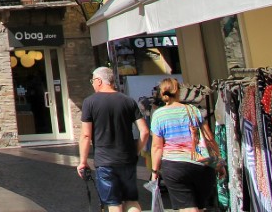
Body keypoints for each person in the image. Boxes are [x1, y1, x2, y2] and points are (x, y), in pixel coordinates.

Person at [77, 66, 150, 212]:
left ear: (99, 81)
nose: (92, 84)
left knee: (114, 203)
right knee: (131, 201)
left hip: (105, 162)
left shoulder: (89, 102)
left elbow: (85, 135)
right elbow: (145, 131)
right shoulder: (128, 101)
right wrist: (136, 151)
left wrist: (83, 162)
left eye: (93, 80)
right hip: (127, 159)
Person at [149, 77, 220, 212]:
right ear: (178, 92)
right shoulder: (193, 110)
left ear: (162, 93)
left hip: (175, 167)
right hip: (201, 165)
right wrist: (219, 163)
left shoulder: (159, 115)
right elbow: (209, 138)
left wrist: (154, 171)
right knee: (200, 207)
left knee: (188, 208)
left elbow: (157, 147)